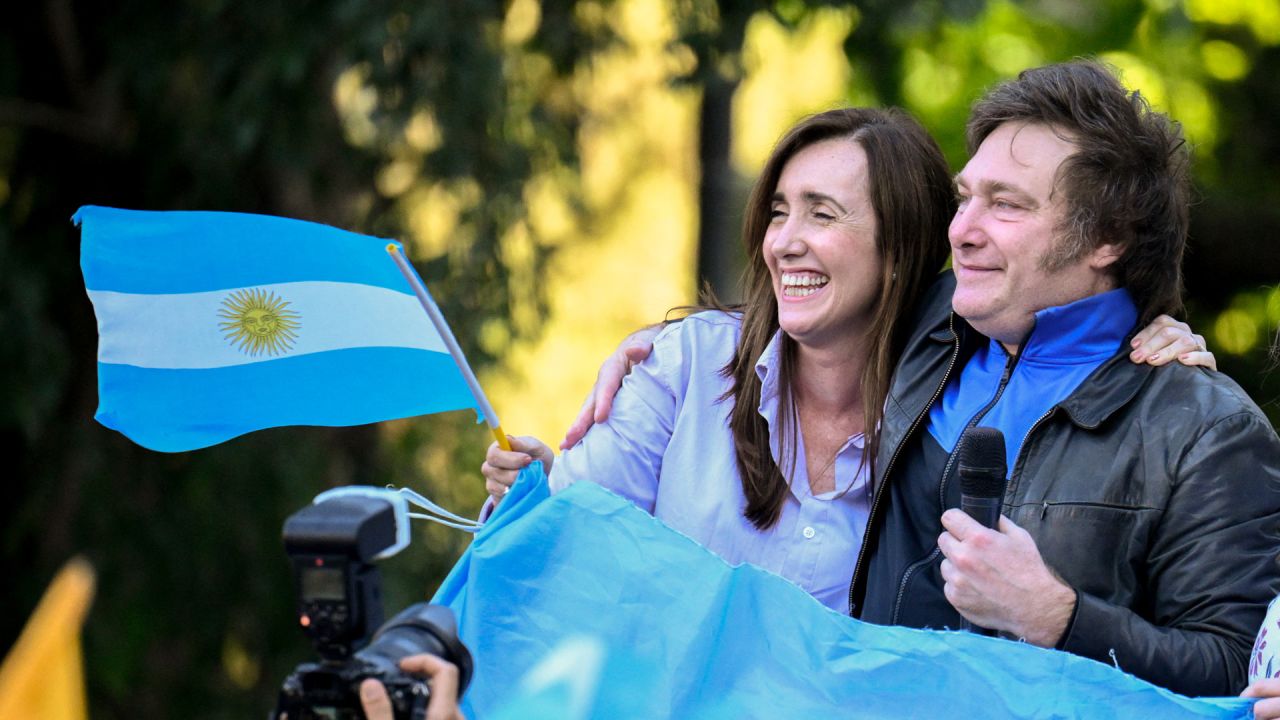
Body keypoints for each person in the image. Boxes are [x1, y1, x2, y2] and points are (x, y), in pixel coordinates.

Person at [514, 61, 1276, 698]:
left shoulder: (1207, 430)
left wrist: (1059, 617)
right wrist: (662, 348)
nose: (963, 231)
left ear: (1108, 238)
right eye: (964, 198)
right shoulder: (931, 331)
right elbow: (816, 283)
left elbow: (1238, 677)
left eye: (1005, 205)